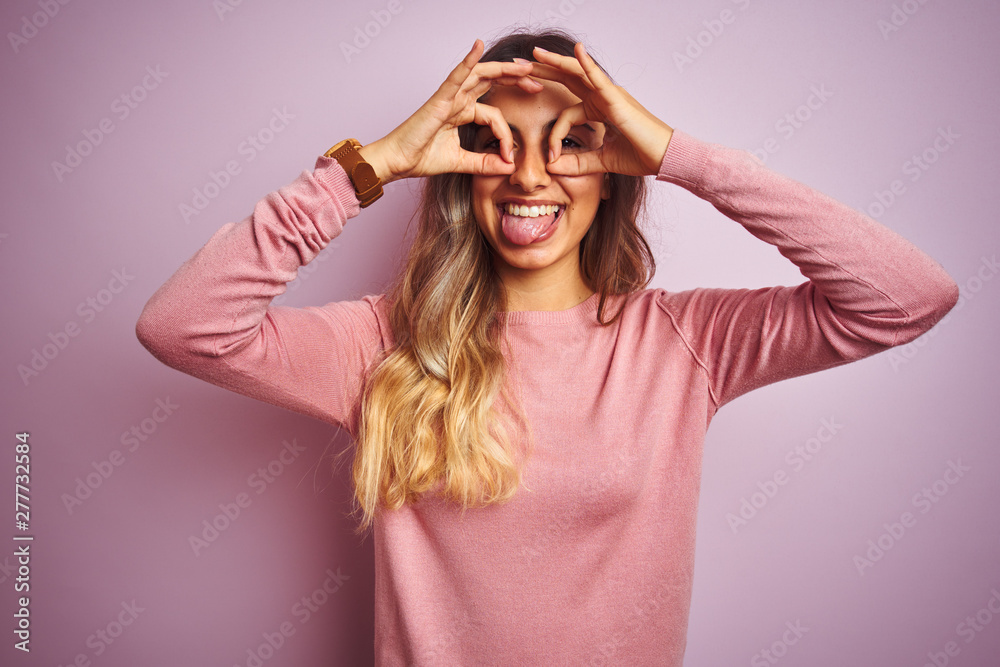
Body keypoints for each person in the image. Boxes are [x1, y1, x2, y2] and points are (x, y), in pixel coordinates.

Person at [136, 27, 958, 666]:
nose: (530, 175)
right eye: (497, 142)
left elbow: (907, 297)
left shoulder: (683, 342)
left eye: (570, 141)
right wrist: (375, 163)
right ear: (458, 167)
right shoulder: (383, 341)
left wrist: (682, 157)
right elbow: (183, 325)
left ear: (614, 170)